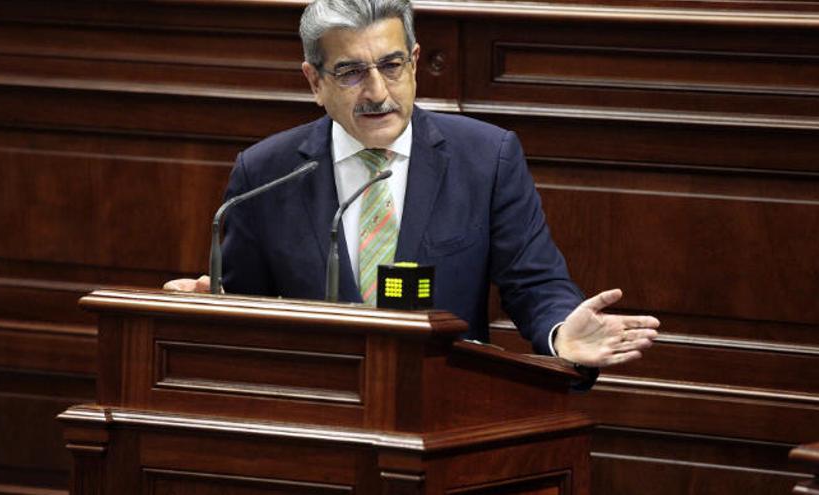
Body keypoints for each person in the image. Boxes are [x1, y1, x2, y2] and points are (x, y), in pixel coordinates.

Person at [164, 0, 659, 379]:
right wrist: (204, 311)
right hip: (318, 421)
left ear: (415, 62)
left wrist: (557, 335)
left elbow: (535, 283)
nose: (377, 91)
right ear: (314, 81)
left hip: (443, 414)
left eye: (391, 65)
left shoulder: (486, 158)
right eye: (351, 72)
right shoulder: (266, 172)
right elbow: (242, 307)